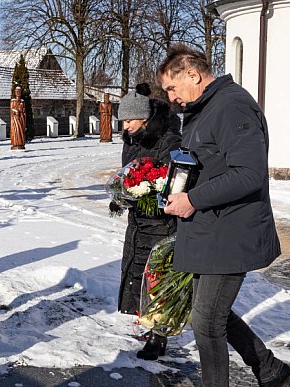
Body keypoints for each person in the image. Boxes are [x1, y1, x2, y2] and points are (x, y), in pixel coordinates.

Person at [158, 44, 290, 387]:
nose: (172, 98)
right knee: (211, 312)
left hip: (230, 229)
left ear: (193, 74)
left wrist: (192, 198)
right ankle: (269, 369)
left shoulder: (231, 105)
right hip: (209, 227)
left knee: (206, 322)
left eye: (172, 88)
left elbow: (250, 173)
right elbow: (206, 161)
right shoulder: (205, 108)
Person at [114, 83, 181, 360]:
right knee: (138, 273)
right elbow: (127, 172)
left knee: (158, 278)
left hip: (161, 222)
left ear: (144, 117)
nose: (125, 126)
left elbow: (173, 181)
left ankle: (159, 336)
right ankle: (147, 323)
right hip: (138, 222)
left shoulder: (168, 140)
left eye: (130, 120)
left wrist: (148, 191)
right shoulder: (132, 139)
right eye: (123, 121)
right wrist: (121, 192)